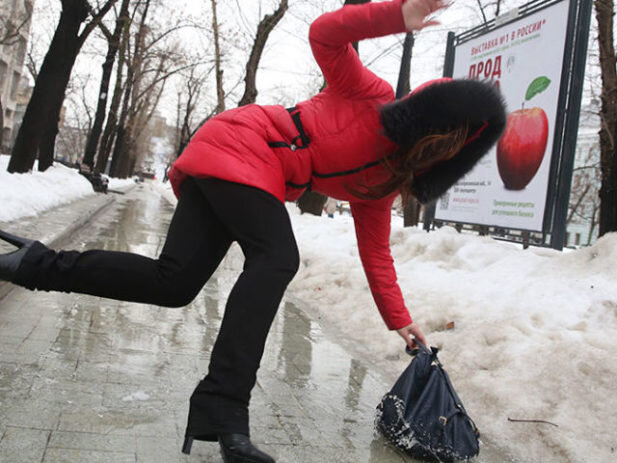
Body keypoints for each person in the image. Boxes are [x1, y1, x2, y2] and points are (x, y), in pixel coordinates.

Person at [0, 1, 506, 462]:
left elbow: (376, 256)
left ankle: (34, 264)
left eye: (454, 149)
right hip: (245, 141)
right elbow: (325, 34)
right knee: (277, 257)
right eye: (444, 133)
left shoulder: (382, 185)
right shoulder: (368, 93)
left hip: (240, 169)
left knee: (173, 283)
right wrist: (399, 15)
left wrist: (400, 321)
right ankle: (225, 410)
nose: (443, 148)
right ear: (427, 115)